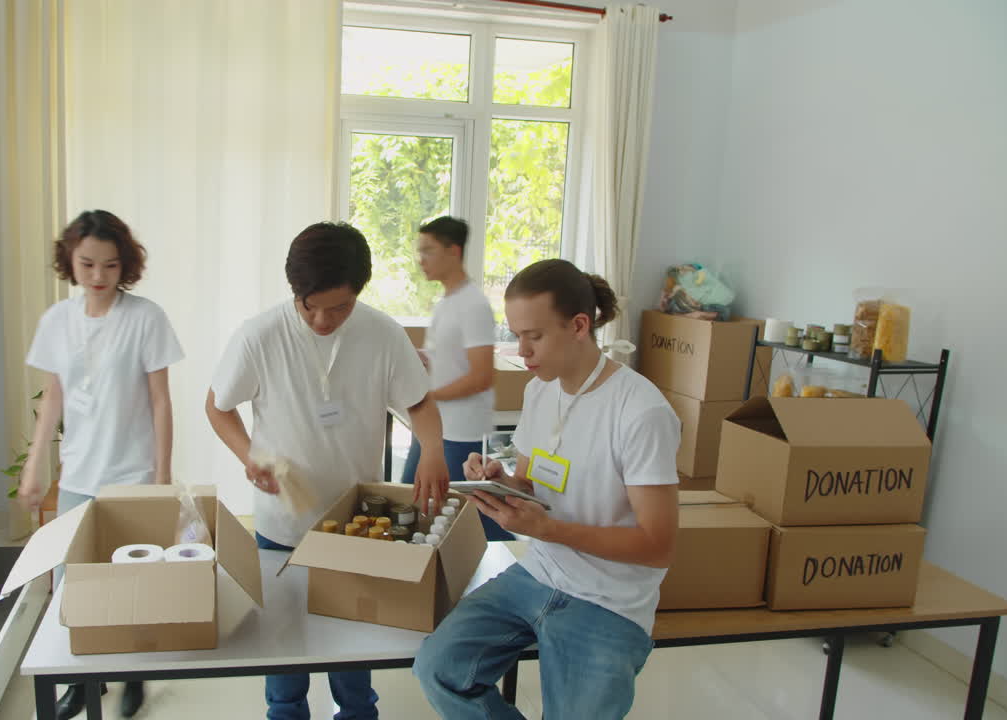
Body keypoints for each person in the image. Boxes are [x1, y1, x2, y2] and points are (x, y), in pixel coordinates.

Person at [413, 259, 680, 719]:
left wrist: (550, 529)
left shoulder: (640, 412)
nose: (521, 351)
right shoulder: (542, 391)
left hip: (608, 601)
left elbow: (658, 546)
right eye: (516, 335)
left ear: (579, 326)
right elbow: (536, 486)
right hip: (540, 573)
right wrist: (504, 483)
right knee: (438, 668)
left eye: (533, 336)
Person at [206, 221, 449, 720]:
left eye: (338, 307)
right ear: (295, 292)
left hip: (355, 522)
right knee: (284, 641)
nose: (322, 319)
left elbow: (419, 403)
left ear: (359, 291)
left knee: (352, 637)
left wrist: (433, 450)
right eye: (309, 305)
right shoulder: (259, 336)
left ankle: (358, 714)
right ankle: (287, 713)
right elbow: (217, 407)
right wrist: (248, 455)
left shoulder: (383, 334)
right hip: (280, 523)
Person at [18, 210, 184, 720]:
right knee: (75, 586)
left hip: (133, 476)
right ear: (69, 260)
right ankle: (83, 682)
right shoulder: (56, 321)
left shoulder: (146, 317)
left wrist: (161, 475)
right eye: (87, 264)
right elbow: (52, 398)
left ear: (124, 266)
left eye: (109, 266)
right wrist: (35, 466)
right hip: (79, 476)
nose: (97, 277)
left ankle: (133, 674)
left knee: (133, 582)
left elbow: (161, 401)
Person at [398, 216, 512, 541]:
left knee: (469, 518)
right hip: (436, 425)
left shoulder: (473, 305)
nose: (421, 260)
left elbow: (480, 375)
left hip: (461, 432)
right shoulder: (448, 302)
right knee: (415, 500)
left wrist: (430, 397)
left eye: (428, 251)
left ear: (453, 251)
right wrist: (421, 358)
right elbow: (452, 361)